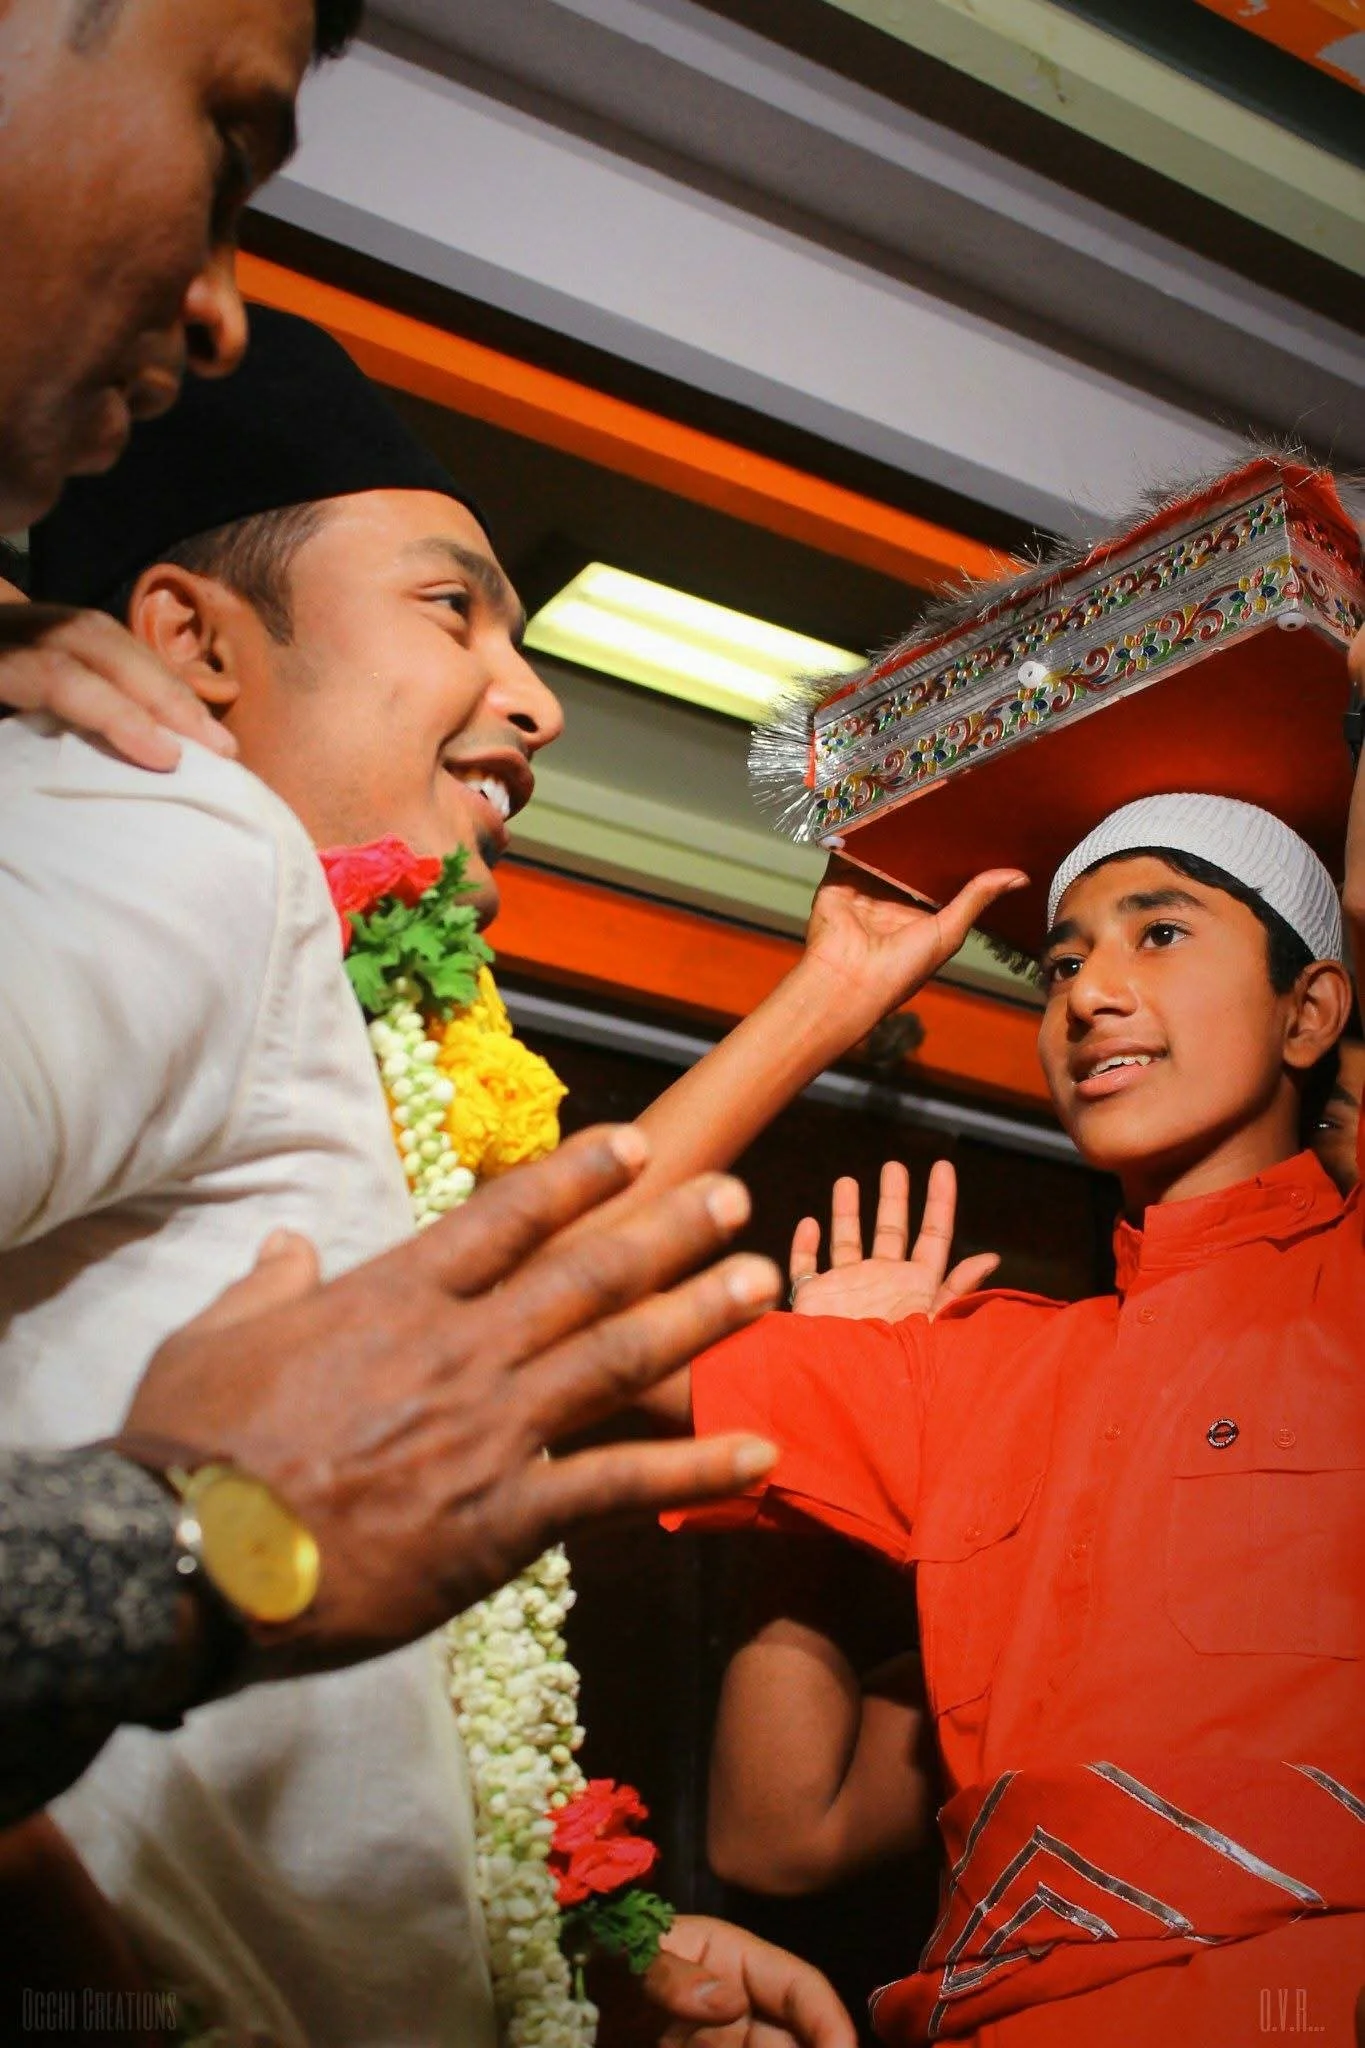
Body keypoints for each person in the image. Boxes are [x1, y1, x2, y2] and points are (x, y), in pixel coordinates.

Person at [641, 651, 1365, 2047]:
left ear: (1310, 1012)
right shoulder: (975, 1368)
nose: (1088, 990)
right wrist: (829, 1000)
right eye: (1065, 959)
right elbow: (529, 1307)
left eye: (1159, 934)